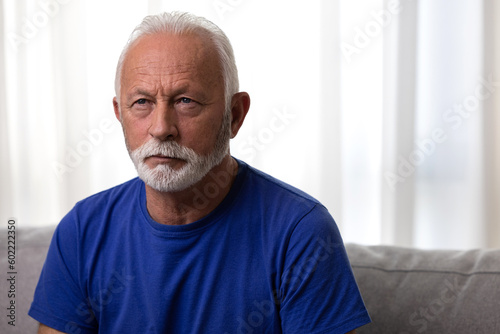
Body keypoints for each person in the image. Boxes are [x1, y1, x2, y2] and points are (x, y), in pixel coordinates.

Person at [29, 11, 371, 334]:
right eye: (142, 102)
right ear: (120, 114)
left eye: (185, 101)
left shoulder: (300, 233)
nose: (161, 128)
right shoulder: (82, 230)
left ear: (234, 115)